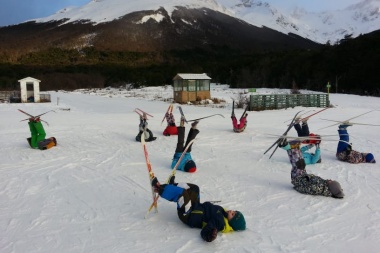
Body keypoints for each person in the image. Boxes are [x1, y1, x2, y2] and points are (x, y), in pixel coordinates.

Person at [151, 176, 246, 242]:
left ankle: (160, 189)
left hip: (188, 215)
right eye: (234, 211)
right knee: (194, 188)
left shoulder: (220, 222)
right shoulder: (223, 212)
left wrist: (209, 236)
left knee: (183, 195)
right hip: (195, 206)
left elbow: (205, 231)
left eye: (233, 214)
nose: (231, 211)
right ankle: (172, 186)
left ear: (232, 222)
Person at [279, 139, 344, 198]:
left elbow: (305, 189)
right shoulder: (324, 184)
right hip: (303, 175)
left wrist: (296, 185)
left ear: (331, 187)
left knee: (299, 164)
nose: (330, 180)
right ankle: (289, 146)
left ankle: (286, 146)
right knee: (300, 163)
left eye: (331, 182)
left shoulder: (319, 188)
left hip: (298, 179)